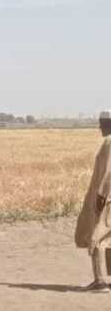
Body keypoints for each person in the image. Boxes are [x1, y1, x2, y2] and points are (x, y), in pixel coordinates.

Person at [75, 110, 111, 292]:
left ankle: (100, 281)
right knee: (109, 239)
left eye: (102, 123)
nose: (99, 127)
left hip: (107, 201)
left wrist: (101, 198)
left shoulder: (109, 142)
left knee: (96, 238)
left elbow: (108, 174)